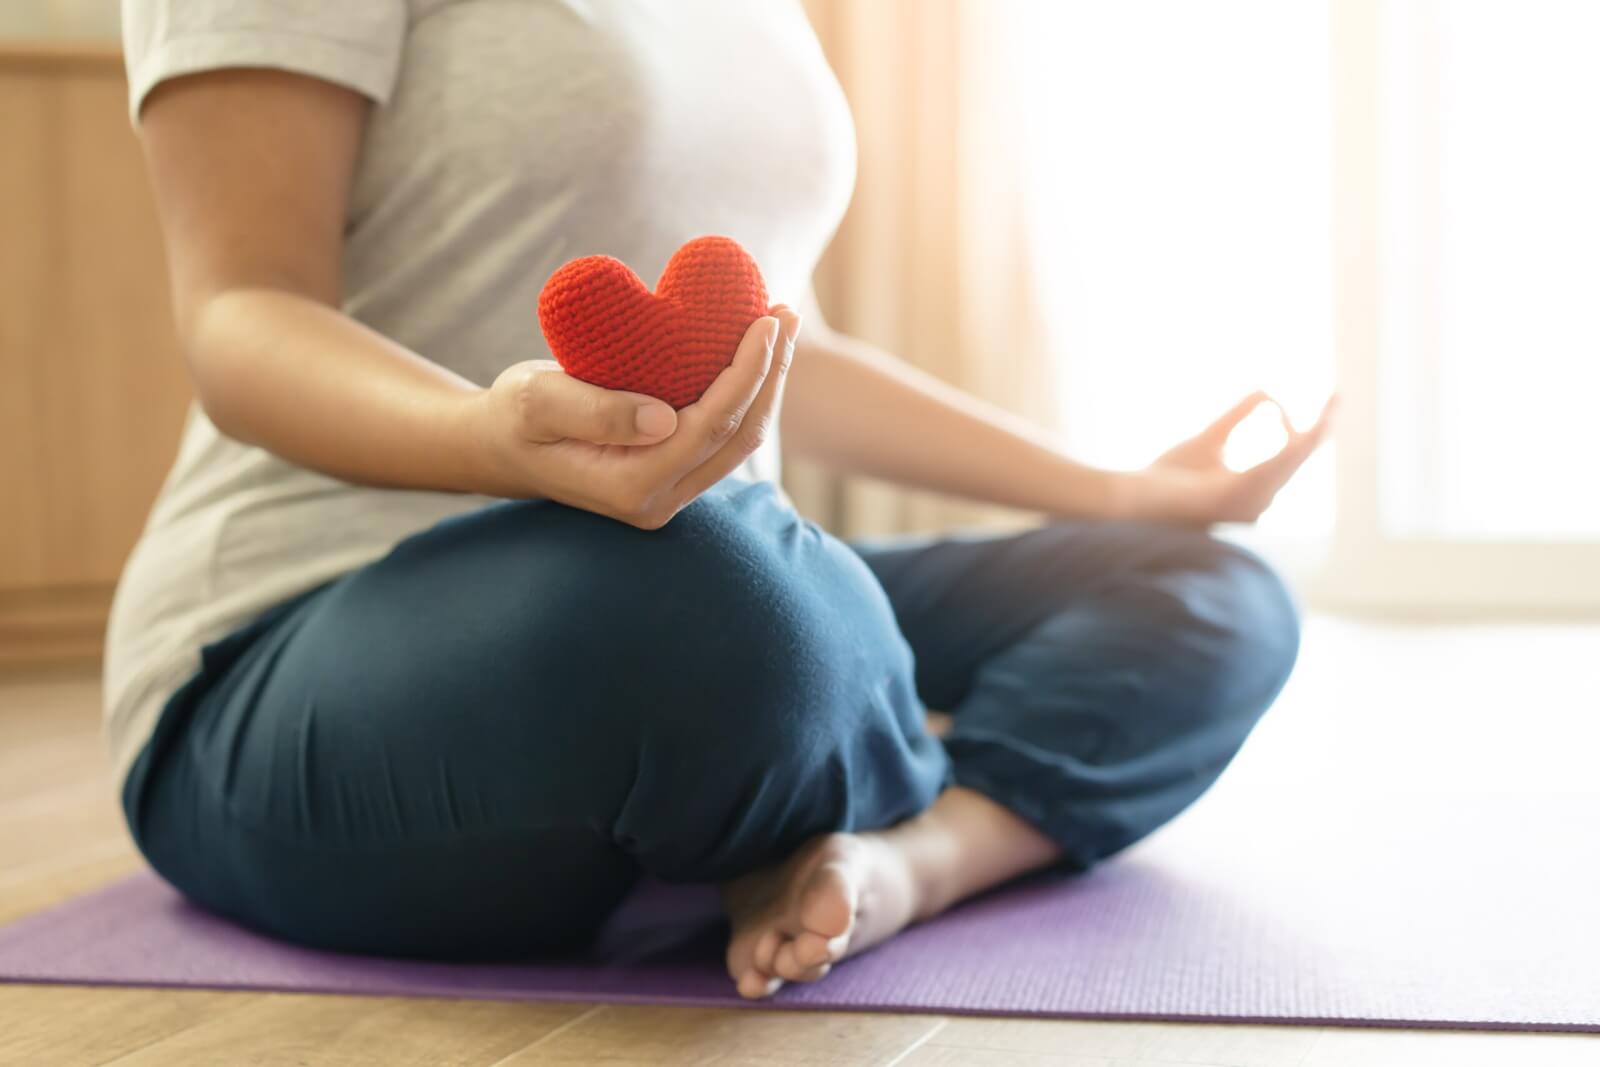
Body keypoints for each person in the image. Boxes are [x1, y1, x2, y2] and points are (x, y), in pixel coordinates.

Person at [110, 0, 1332, 1000]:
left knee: (1202, 589)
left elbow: (790, 357)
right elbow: (242, 315)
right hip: (303, 645)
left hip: (717, 574)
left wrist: (1118, 491)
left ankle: (905, 858)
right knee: (725, 604)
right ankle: (832, 746)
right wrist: (495, 437)